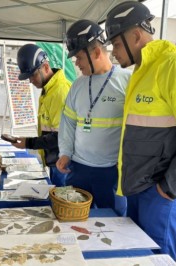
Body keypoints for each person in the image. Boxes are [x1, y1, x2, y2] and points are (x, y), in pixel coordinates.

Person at [105, 1, 176, 261]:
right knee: (138, 256)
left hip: (162, 191)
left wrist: (168, 188)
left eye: (117, 44)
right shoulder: (142, 72)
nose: (113, 52)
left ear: (135, 36)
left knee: (158, 258)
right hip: (139, 186)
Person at [56, 19, 130, 215]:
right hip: (78, 169)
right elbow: (68, 124)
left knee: (112, 225)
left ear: (97, 52)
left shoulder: (127, 82)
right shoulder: (78, 86)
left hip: (111, 172)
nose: (77, 64)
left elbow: (136, 129)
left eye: (79, 58)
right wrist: (65, 152)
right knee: (72, 220)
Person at [12, 44, 71, 187]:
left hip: (62, 164)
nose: (30, 81)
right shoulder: (49, 89)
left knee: (61, 205)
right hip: (54, 161)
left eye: (32, 75)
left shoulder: (60, 92)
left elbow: (60, 136)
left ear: (45, 67)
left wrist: (29, 143)